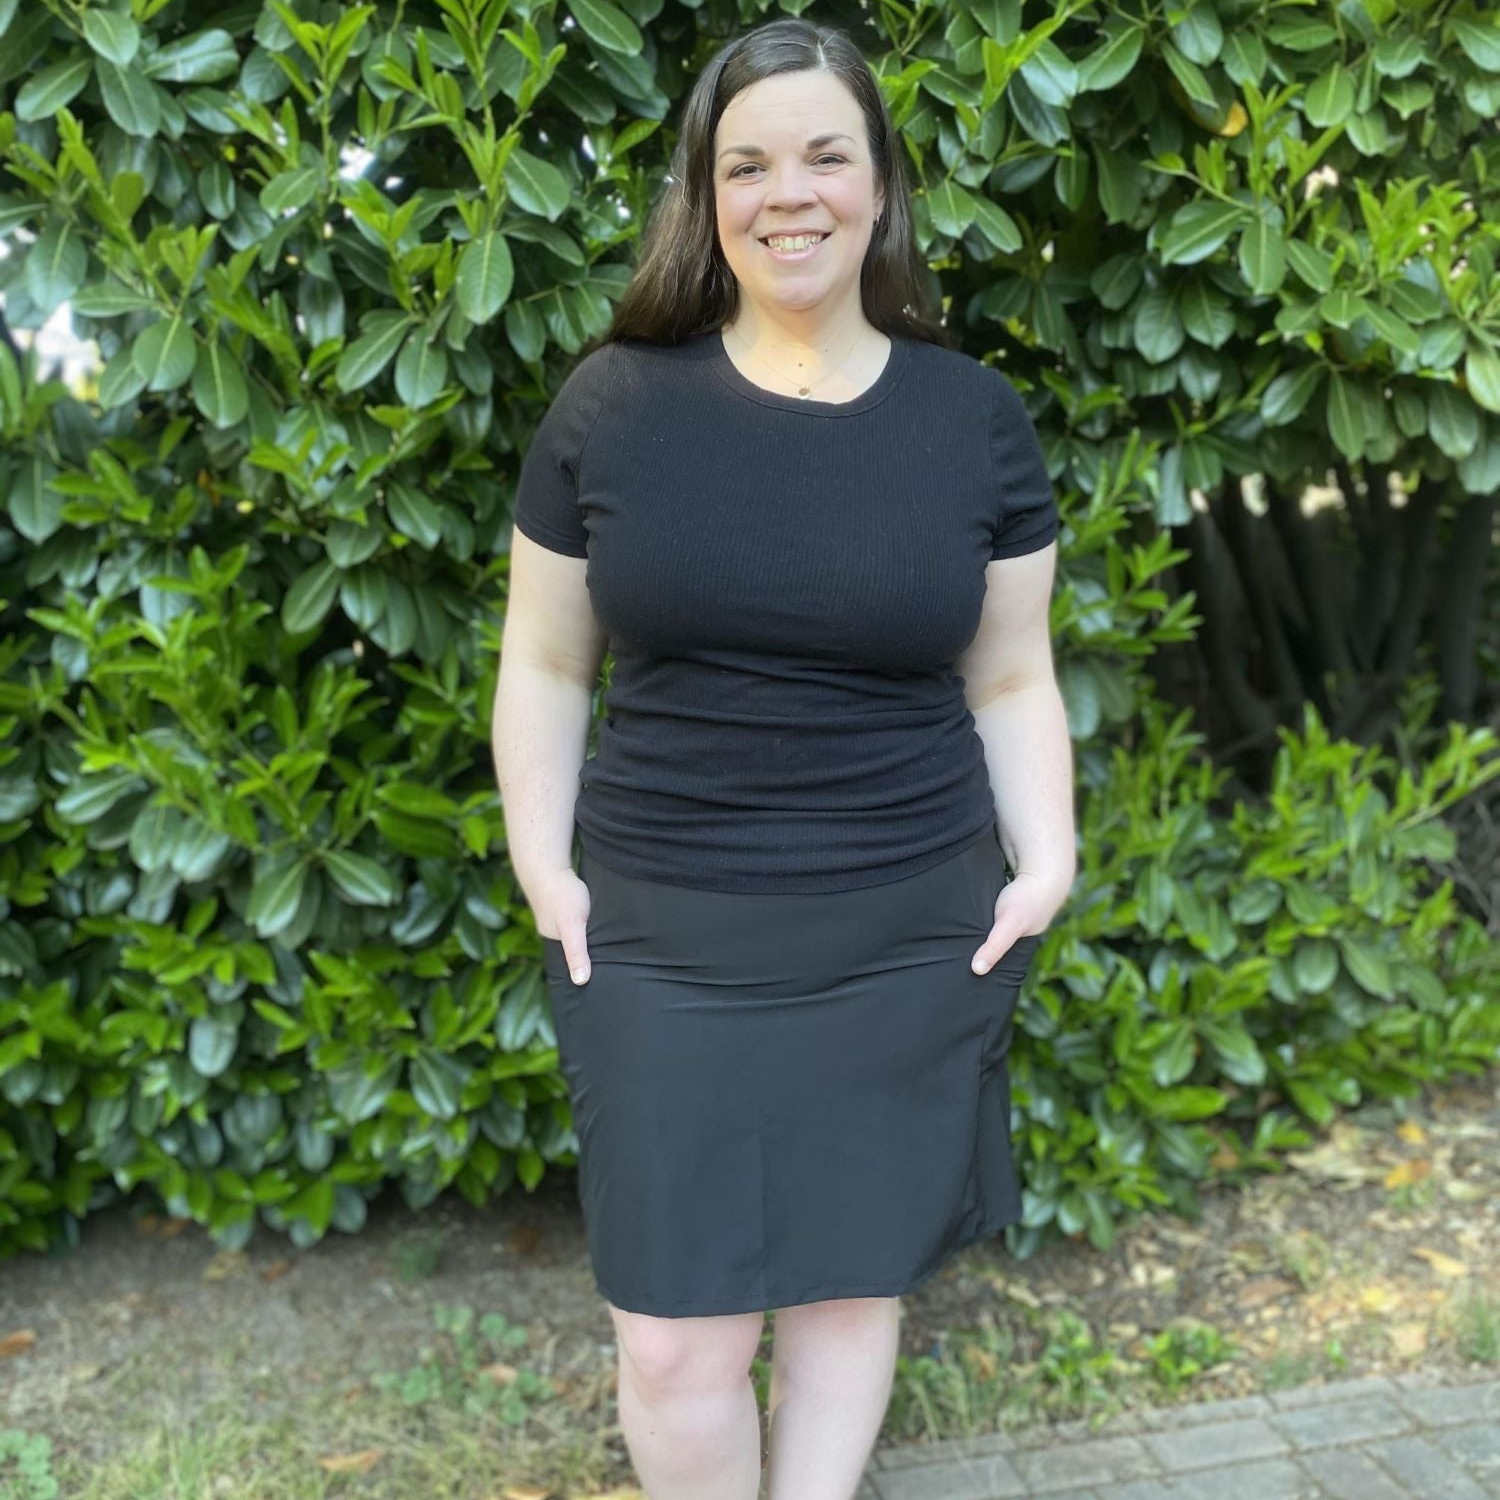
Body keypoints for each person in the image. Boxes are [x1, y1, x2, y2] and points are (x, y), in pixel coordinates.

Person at [493, 15, 1076, 1499]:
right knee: (676, 1343)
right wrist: (542, 870)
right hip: (663, 938)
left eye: (826, 152)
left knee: (843, 1291)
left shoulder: (974, 420)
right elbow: (547, 662)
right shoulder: (613, 406)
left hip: (902, 929)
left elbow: (1010, 674)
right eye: (746, 163)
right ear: (706, 194)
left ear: (880, 179)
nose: (788, 191)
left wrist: (1048, 860)